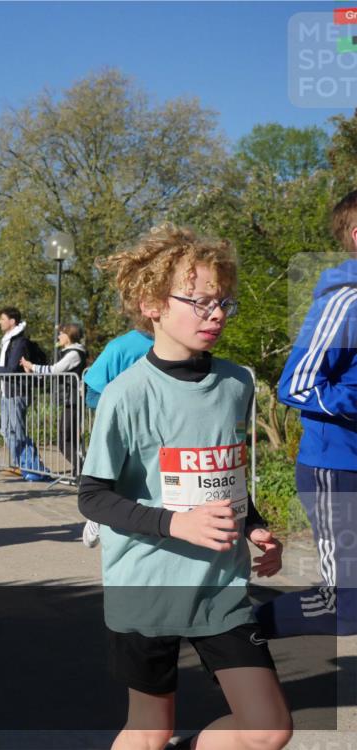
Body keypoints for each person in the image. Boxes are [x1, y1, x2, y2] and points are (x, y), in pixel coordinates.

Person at [79, 224, 291, 750]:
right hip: (147, 589)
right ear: (152, 304)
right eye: (199, 302)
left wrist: (257, 528)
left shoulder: (237, 382)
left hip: (222, 589)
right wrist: (176, 523)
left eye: (223, 303)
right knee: (151, 732)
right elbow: (93, 496)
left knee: (268, 730)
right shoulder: (126, 395)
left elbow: (224, 478)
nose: (216, 314)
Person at [256, 189, 357, 638]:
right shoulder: (345, 301)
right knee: (345, 607)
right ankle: (238, 635)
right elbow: (295, 385)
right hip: (337, 467)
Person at [80, 328, 154, 547]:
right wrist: (127, 407)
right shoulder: (120, 347)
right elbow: (92, 395)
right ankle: (97, 517)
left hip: (166, 430)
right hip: (126, 433)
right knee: (120, 479)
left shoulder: (186, 344)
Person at [0, 306, 48, 481]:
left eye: (2, 318)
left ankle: (33, 468)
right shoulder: (8, 341)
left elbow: (12, 368)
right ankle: (25, 465)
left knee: (16, 431)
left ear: (12, 321)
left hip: (17, 392)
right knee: (7, 431)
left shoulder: (19, 342)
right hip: (7, 392)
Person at [20, 322, 87, 470]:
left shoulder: (74, 354)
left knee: (64, 440)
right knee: (69, 439)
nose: (59, 336)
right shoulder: (68, 352)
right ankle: (80, 472)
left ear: (69, 336)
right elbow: (50, 374)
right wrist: (31, 371)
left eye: (61, 333)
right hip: (70, 400)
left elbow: (55, 370)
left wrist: (32, 366)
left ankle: (85, 471)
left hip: (74, 400)